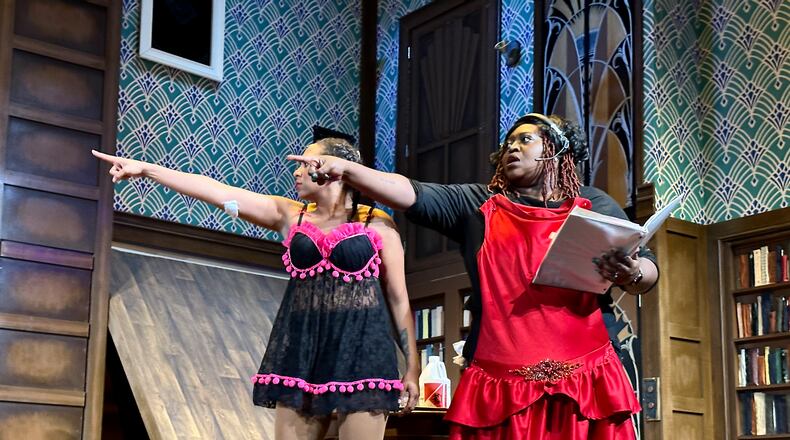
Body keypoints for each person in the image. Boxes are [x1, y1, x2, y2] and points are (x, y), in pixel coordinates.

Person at [287, 113, 659, 439]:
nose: (512, 146)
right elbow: (409, 191)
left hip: (583, 382)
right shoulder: (477, 205)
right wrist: (348, 170)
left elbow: (646, 269)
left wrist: (633, 271)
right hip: (500, 384)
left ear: (558, 149)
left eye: (525, 139)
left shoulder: (593, 204)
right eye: (508, 142)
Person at [93, 137, 420, 440]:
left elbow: (398, 298)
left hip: (363, 353)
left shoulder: (377, 223)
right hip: (301, 353)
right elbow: (218, 192)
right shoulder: (289, 214)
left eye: (305, 164)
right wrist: (148, 169)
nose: (297, 172)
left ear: (333, 169)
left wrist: (412, 367)